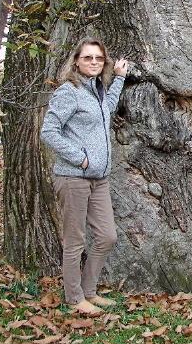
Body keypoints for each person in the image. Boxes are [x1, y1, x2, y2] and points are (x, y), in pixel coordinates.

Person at [41, 37, 128, 315]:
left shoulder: (97, 91)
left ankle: (89, 291)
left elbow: (107, 109)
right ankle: (74, 297)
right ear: (76, 61)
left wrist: (119, 79)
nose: (94, 62)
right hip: (73, 177)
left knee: (107, 236)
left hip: (99, 178)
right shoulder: (69, 91)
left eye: (99, 58)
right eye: (88, 57)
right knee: (75, 241)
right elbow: (49, 131)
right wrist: (80, 158)